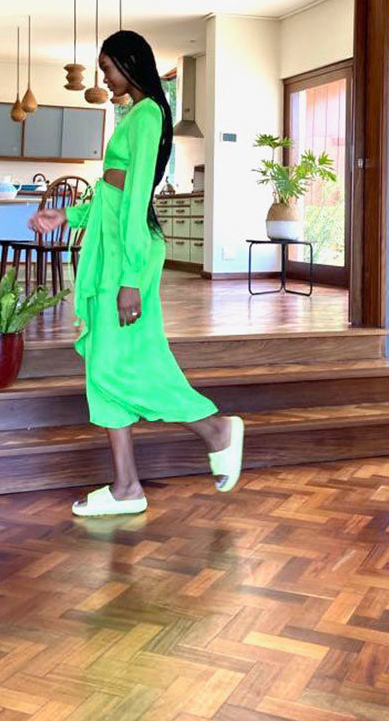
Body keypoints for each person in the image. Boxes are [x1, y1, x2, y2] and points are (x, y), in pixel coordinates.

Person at [29, 29, 244, 516]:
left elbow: (136, 199)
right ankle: (126, 487)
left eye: (108, 68)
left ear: (129, 63)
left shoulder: (147, 115)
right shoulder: (132, 115)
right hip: (111, 254)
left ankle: (216, 430)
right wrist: (67, 216)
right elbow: (112, 194)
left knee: (117, 364)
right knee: (102, 367)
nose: (105, 77)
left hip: (129, 258)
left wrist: (130, 278)